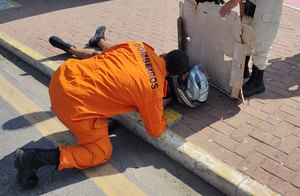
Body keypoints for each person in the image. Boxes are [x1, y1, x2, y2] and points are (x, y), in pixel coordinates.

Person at [14, 26, 209, 189]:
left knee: (102, 72)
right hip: (72, 105)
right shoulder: (153, 89)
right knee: (101, 153)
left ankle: (100, 123)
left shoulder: (140, 47)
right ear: (173, 76)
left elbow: (108, 54)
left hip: (63, 76)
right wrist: (161, 106)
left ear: (165, 53)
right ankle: (34, 159)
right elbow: (156, 130)